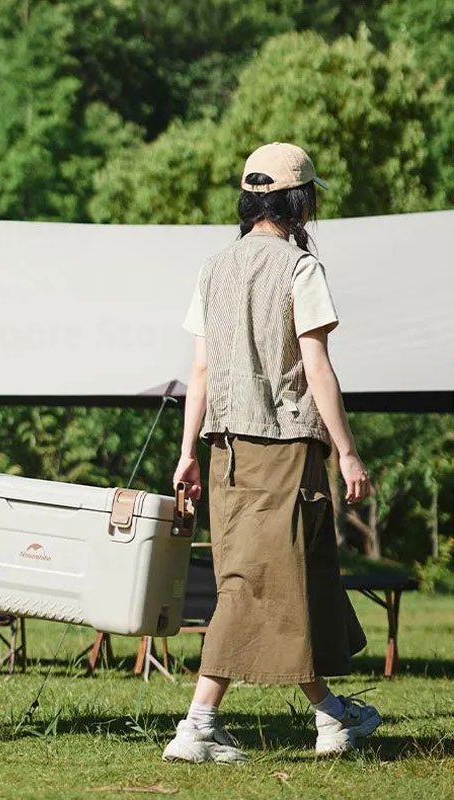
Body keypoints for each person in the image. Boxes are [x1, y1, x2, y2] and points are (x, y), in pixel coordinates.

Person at [164, 142, 380, 764]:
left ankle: (332, 716)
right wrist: (347, 452)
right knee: (253, 584)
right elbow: (317, 365)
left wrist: (186, 453)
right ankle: (197, 724)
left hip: (223, 451)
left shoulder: (214, 267)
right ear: (300, 200)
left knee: (291, 580)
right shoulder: (299, 269)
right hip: (283, 447)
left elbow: (198, 371)